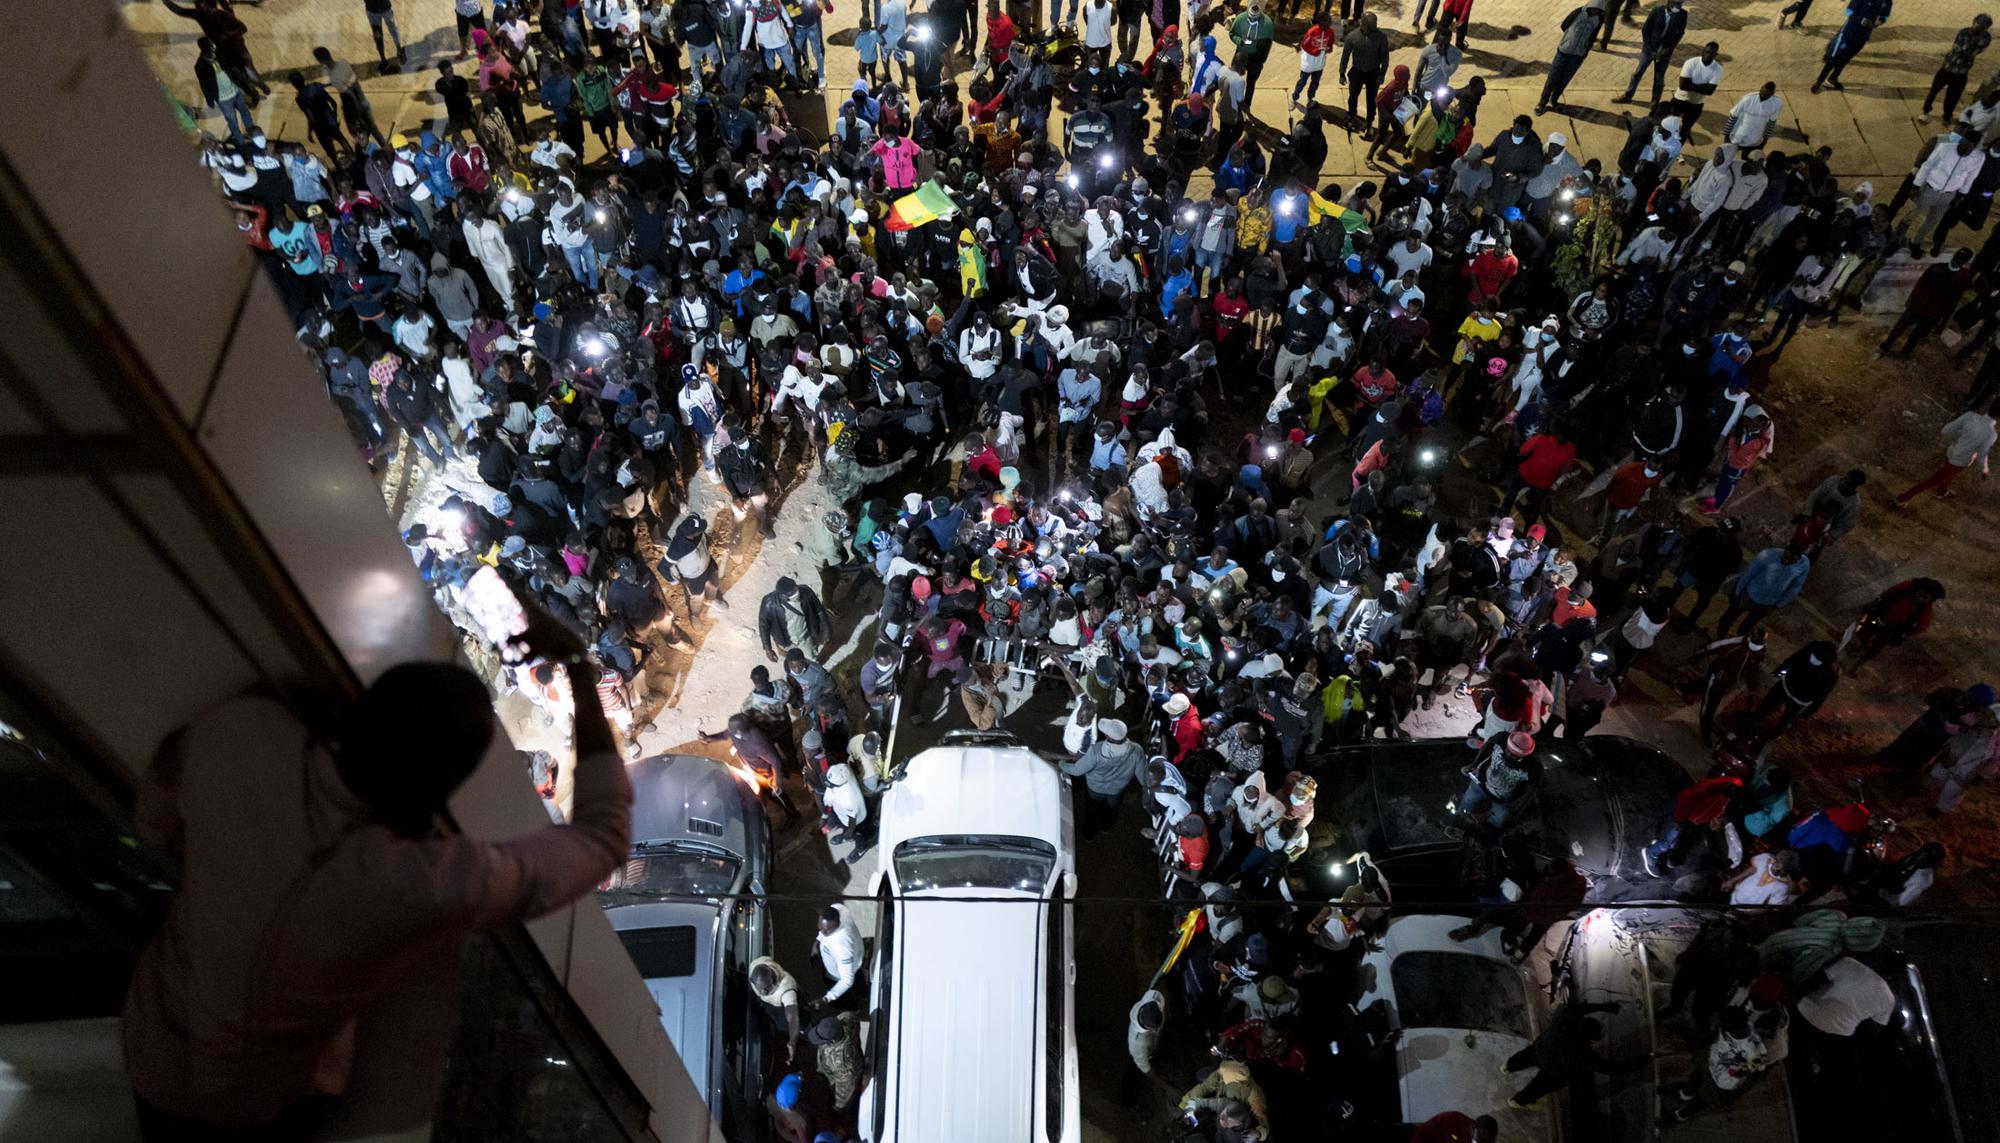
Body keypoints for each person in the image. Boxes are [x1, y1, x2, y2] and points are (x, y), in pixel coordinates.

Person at [124, 614, 631, 1136]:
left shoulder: (241, 729)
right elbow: (602, 839)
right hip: (242, 1108)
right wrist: (573, 663)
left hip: (148, 1034)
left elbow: (155, 820)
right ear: (439, 798)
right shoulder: (412, 884)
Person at [1504, 999, 1644, 1106]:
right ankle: (1518, 1101)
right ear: (1590, 1038)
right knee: (1540, 1086)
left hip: (1540, 1046)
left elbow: (1581, 1008)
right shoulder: (1581, 1053)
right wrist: (1646, 1058)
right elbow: (1612, 1068)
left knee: (1524, 1057)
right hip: (1552, 1068)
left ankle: (1508, 1066)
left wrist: (1605, 1006)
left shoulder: (1567, 1018)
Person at [1893, 400, 1996, 506]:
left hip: (1952, 451)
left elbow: (1945, 431)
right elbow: (1982, 456)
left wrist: (1959, 439)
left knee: (1947, 476)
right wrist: (1984, 470)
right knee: (1931, 482)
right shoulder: (1991, 434)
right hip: (1961, 462)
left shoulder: (1970, 416)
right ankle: (1901, 499)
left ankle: (1942, 492)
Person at [1924, 15, 1993, 123]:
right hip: (1947, 68)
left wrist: (1965, 48)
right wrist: (1968, 47)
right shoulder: (1964, 31)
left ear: (1985, 28)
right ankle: (1925, 111)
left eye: (1981, 26)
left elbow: (1974, 51)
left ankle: (1947, 117)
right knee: (1933, 91)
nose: (1976, 27)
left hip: (1961, 73)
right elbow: (1957, 48)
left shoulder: (1986, 37)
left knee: (1952, 98)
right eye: (1977, 24)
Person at [1619, 0, 1687, 106]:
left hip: (1664, 53)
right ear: (1670, 3)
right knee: (1637, 73)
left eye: (1680, 4)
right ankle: (1628, 95)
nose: (1679, 6)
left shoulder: (1683, 14)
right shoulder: (1657, 11)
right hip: (1649, 50)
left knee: (1659, 79)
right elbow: (1646, 30)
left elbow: (1680, 34)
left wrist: (1668, 49)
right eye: (1677, 4)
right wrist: (1649, 48)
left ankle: (1655, 101)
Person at [811, 903, 864, 1011]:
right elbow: (823, 932)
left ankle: (853, 1009)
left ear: (837, 924)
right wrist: (817, 942)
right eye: (820, 927)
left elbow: (847, 980)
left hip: (837, 975)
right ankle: (864, 994)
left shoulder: (842, 947)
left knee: (844, 998)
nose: (822, 932)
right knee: (859, 982)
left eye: (827, 930)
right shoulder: (838, 908)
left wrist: (827, 998)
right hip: (854, 961)